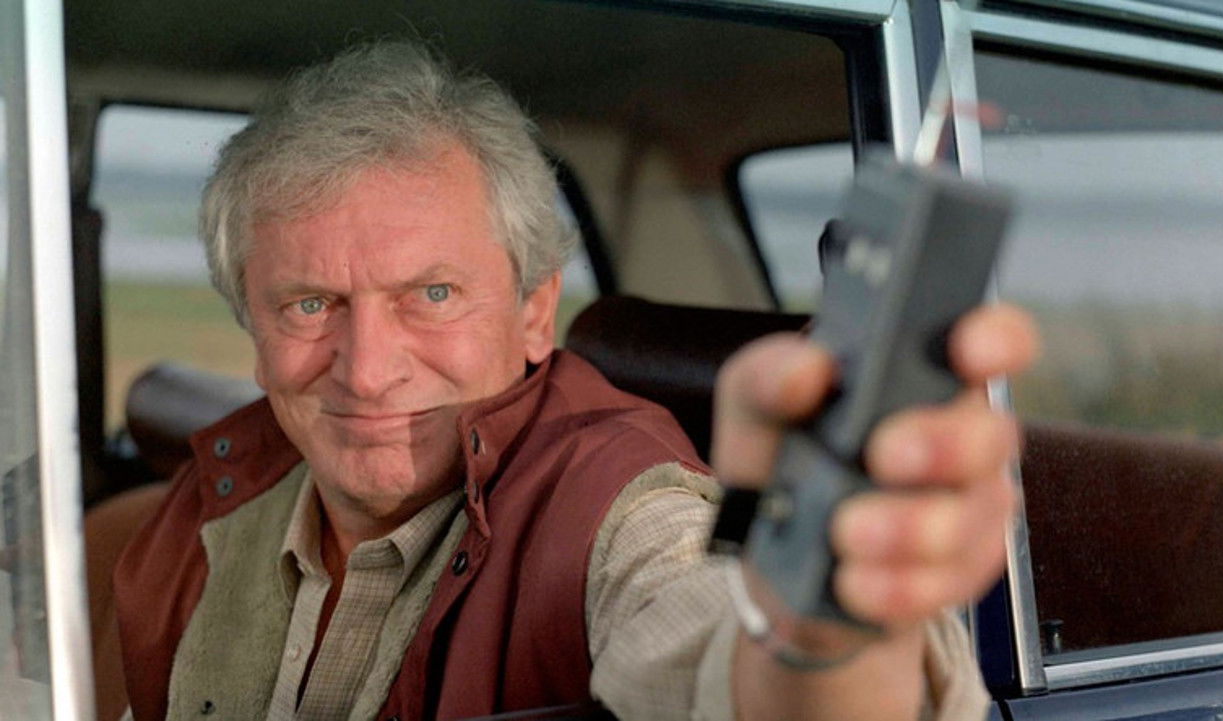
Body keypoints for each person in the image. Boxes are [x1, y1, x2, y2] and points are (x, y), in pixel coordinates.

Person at [113, 41, 1037, 721]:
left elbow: (721, 651)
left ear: (533, 311)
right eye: (310, 304)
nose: (369, 368)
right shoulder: (217, 496)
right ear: (252, 323)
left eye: (432, 294)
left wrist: (820, 625)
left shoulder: (619, 509)